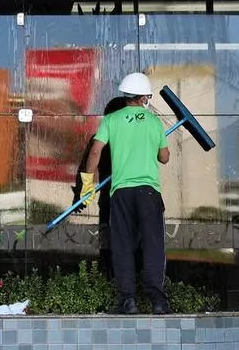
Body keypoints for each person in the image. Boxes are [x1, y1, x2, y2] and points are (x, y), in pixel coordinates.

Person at [80, 72, 170, 314]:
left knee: (123, 246)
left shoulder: (111, 120)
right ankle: (158, 302)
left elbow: (95, 152)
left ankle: (128, 301)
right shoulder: (154, 122)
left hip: (121, 193)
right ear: (144, 97)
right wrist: (149, 145)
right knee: (153, 246)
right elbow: (165, 157)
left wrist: (87, 184)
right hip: (149, 193)